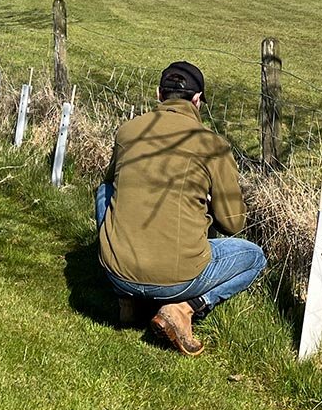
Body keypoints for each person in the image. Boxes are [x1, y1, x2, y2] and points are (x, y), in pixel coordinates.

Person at [96, 60, 266, 356]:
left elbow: (110, 183)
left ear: (159, 94)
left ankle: (128, 299)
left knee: (105, 191)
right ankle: (185, 308)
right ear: (197, 100)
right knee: (254, 257)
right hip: (179, 280)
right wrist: (206, 204)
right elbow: (233, 223)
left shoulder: (127, 131)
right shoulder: (212, 145)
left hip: (116, 271)